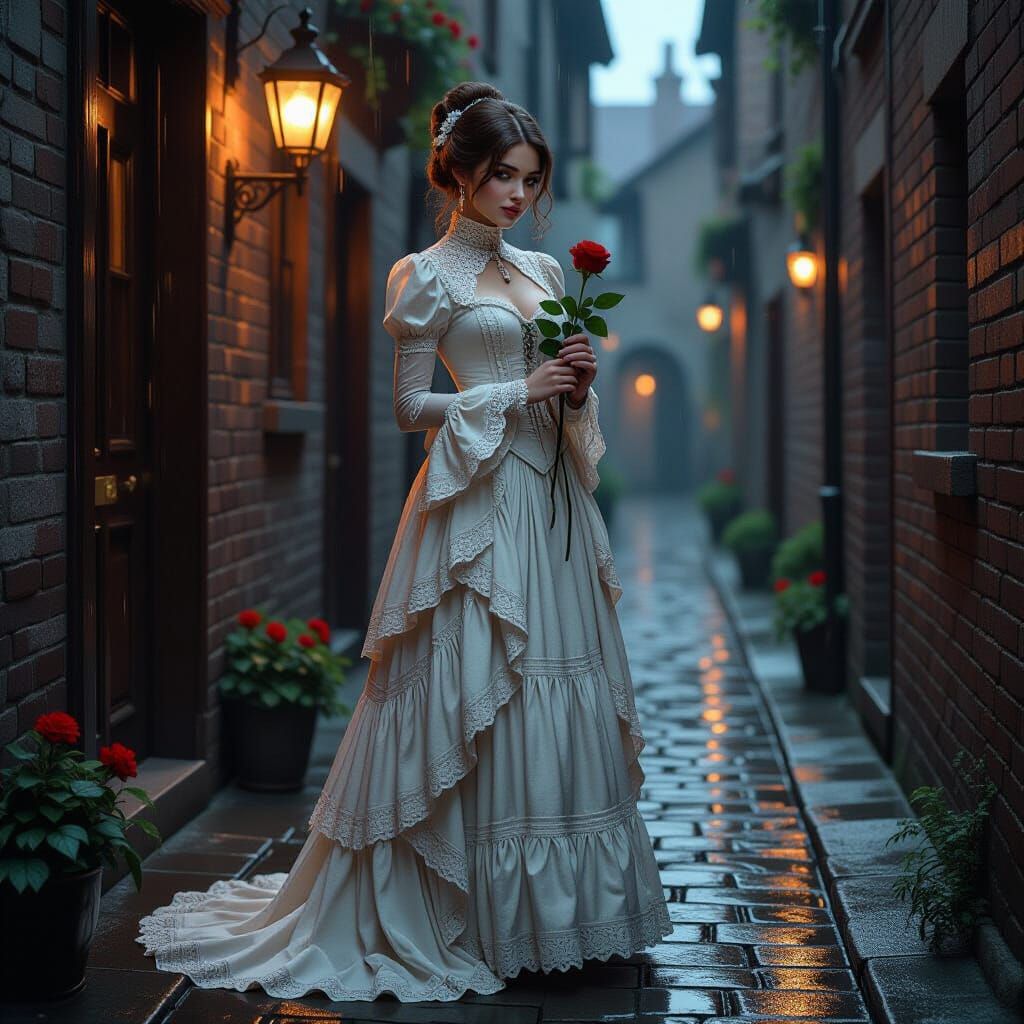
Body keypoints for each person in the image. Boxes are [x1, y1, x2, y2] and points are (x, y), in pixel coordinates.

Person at [136, 81, 671, 1003]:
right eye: (501, 174)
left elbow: (562, 405)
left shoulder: (546, 276)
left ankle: (568, 923)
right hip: (474, 514)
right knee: (478, 699)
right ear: (457, 171)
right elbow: (409, 408)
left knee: (562, 693)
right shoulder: (424, 274)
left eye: (530, 180)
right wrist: (519, 390)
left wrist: (577, 391)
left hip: (552, 520)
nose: (516, 194)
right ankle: (468, 916)